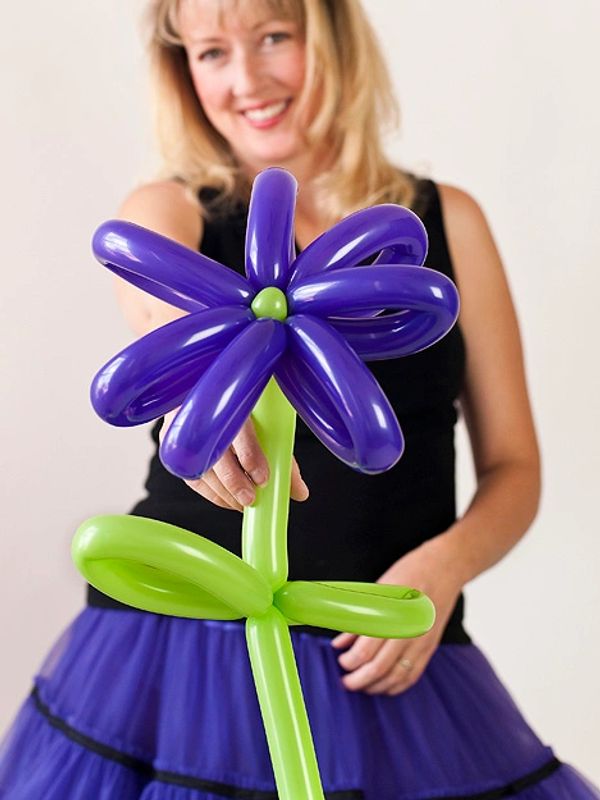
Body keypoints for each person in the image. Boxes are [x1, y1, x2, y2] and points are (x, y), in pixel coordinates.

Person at [1, 0, 598, 797]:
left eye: (274, 37)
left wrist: (441, 570)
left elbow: (515, 467)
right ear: (184, 74)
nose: (246, 79)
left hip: (386, 664)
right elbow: (154, 305)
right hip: (181, 662)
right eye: (211, 53)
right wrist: (199, 402)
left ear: (334, 40)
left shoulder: (449, 222)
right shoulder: (171, 209)